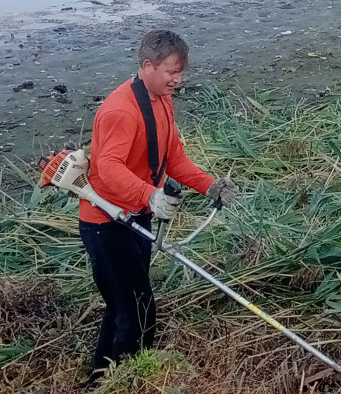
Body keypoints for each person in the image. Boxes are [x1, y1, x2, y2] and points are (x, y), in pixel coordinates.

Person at [78, 30, 238, 384]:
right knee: (138, 310)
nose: (178, 80)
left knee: (123, 306)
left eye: (181, 72)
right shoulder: (121, 110)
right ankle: (126, 382)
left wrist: (209, 185)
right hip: (106, 223)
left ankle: (101, 379)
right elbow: (107, 166)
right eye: (171, 72)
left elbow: (173, 158)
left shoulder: (161, 100)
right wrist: (150, 195)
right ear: (147, 65)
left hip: (136, 216)